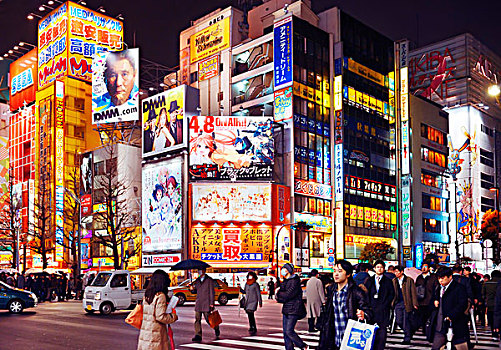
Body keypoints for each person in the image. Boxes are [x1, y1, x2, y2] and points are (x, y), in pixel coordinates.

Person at [318, 260, 371, 350]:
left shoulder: (356, 292)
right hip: (334, 339)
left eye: (340, 271)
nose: (336, 274)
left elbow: (369, 311)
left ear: (348, 274)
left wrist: (364, 314)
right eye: (334, 271)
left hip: (351, 340)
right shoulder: (331, 290)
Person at [430, 266, 469, 350]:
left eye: (443, 278)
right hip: (440, 324)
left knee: (460, 347)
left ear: (450, 277)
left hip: (455, 324)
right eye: (439, 278)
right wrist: (434, 302)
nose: (440, 280)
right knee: (436, 347)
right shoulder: (438, 288)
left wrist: (451, 315)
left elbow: (462, 304)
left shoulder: (459, 288)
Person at [137, 269, 178, 350]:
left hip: (146, 333)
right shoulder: (160, 296)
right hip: (156, 335)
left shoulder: (148, 294)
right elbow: (160, 316)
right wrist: (173, 316)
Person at [276, 263, 308, 350]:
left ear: (288, 270)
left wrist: (280, 294)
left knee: (289, 331)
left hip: (294, 309)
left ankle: (302, 345)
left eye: (284, 269)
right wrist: (280, 295)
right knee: (286, 333)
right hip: (286, 309)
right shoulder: (285, 281)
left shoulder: (295, 281)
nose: (282, 270)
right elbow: (279, 296)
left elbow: (287, 295)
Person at [364, 260, 395, 350]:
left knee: (382, 332)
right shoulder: (369, 280)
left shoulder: (388, 281)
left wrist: (386, 304)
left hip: (383, 309)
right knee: (370, 332)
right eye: (377, 267)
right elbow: (365, 294)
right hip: (371, 309)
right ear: (374, 268)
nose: (379, 269)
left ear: (384, 269)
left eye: (381, 267)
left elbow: (391, 294)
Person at [392, 265, 419, 344]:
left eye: (397, 271)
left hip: (407, 302)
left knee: (406, 321)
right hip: (398, 303)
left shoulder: (409, 280)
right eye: (395, 271)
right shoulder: (394, 280)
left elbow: (413, 292)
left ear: (402, 272)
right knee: (399, 320)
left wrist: (415, 303)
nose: (396, 273)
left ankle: (407, 338)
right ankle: (410, 332)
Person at [191, 268, 220, 342]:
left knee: (208, 319)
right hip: (198, 302)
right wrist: (192, 288)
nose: (199, 271)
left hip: (206, 302)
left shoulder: (209, 280)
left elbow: (211, 292)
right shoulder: (197, 280)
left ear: (204, 271)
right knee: (197, 320)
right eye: (198, 270)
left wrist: (212, 303)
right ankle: (198, 335)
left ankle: (216, 328)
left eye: (200, 270)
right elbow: (195, 291)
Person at [415, 261, 439, 332]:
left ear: (429, 268)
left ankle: (429, 330)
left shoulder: (433, 277)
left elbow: (436, 289)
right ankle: (424, 330)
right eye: (422, 267)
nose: (423, 268)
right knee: (422, 317)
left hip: (430, 300)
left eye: (425, 267)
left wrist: (436, 299)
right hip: (421, 301)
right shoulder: (419, 278)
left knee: (431, 316)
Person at [483, 269, 501, 339]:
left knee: (492, 319)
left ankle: (494, 334)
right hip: (499, 304)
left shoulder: (487, 283)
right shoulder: (499, 283)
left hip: (490, 304)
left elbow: (483, 294)